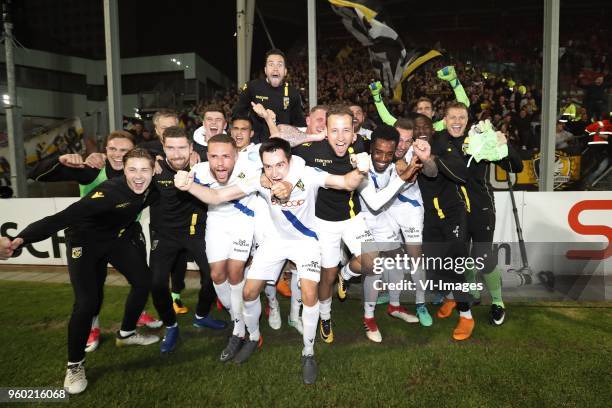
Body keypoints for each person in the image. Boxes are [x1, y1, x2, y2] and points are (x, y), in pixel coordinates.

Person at [174, 137, 370, 384]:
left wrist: (361, 169)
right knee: (248, 292)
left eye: (280, 165)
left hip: (306, 241)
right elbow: (217, 196)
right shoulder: (259, 180)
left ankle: (308, 352)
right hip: (275, 242)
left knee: (310, 293)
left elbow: (344, 182)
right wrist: (188, 186)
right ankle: (253, 337)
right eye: (268, 166)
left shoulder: (307, 174)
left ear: (290, 162)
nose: (274, 172)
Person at [9, 148, 160, 394]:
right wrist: (20, 240)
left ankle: (126, 333)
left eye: (145, 169)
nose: (139, 176)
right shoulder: (108, 192)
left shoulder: (153, 186)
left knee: (144, 281)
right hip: (84, 242)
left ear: (154, 170)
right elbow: (61, 218)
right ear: (123, 169)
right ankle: (75, 365)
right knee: (87, 303)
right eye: (132, 169)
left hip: (115, 240)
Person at [28, 131, 162, 353]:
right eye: (112, 150)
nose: (118, 155)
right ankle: (92, 327)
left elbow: (164, 148)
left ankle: (131, 324)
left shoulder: (143, 169)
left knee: (142, 280)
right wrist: (59, 159)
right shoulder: (92, 170)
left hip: (126, 233)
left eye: (124, 151)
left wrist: (157, 158)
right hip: (90, 237)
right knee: (91, 293)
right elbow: (36, 174)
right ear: (105, 151)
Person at [148, 126, 226, 354]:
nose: (177, 153)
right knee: (157, 283)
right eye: (170, 148)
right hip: (164, 236)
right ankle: (171, 326)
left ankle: (201, 315)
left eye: (182, 147)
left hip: (196, 234)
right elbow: (125, 163)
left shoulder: (202, 168)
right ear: (162, 149)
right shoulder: (154, 169)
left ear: (191, 148)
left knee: (213, 276)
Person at [232, 49, 306, 142]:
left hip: (281, 144)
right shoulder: (252, 87)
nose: (275, 68)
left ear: (285, 71)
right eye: (271, 64)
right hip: (255, 144)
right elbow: (237, 114)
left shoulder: (293, 93)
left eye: (279, 65)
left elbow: (299, 124)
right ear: (265, 70)